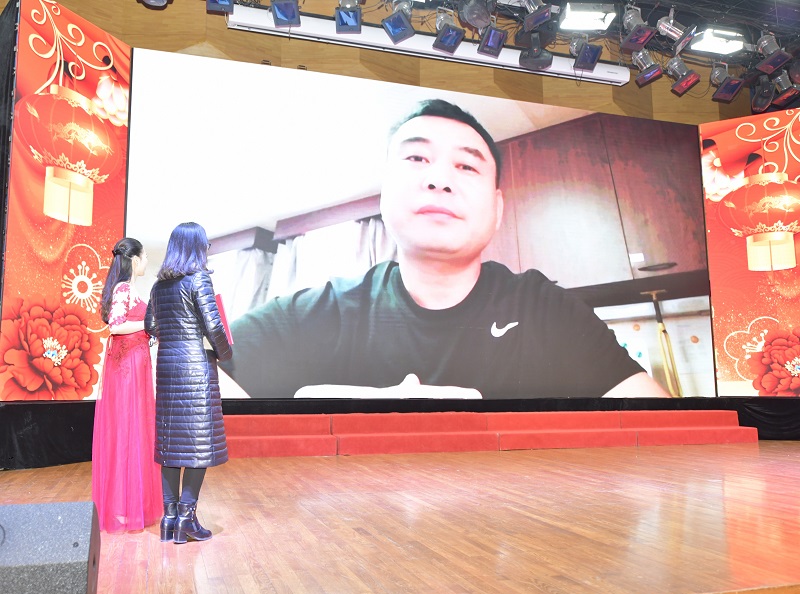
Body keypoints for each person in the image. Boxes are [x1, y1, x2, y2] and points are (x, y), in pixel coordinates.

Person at [221, 99, 669, 400]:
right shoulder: (316, 313)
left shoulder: (544, 310)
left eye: (467, 166)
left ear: (497, 208)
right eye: (416, 159)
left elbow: (658, 430)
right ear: (384, 194)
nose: (439, 179)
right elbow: (190, 393)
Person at [145, 222, 233, 543]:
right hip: (195, 369)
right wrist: (225, 354)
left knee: (170, 446)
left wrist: (173, 335)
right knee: (198, 445)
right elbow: (214, 326)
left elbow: (150, 325)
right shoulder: (199, 279)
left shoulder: (158, 286)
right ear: (197, 247)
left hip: (168, 368)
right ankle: (186, 517)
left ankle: (169, 519)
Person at [92, 237, 162, 533]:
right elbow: (116, 325)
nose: (146, 263)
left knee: (133, 433)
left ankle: (131, 506)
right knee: (128, 433)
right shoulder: (123, 288)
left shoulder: (127, 289)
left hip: (135, 366)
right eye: (144, 257)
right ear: (134, 260)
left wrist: (151, 330)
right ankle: (124, 508)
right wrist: (149, 324)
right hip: (128, 371)